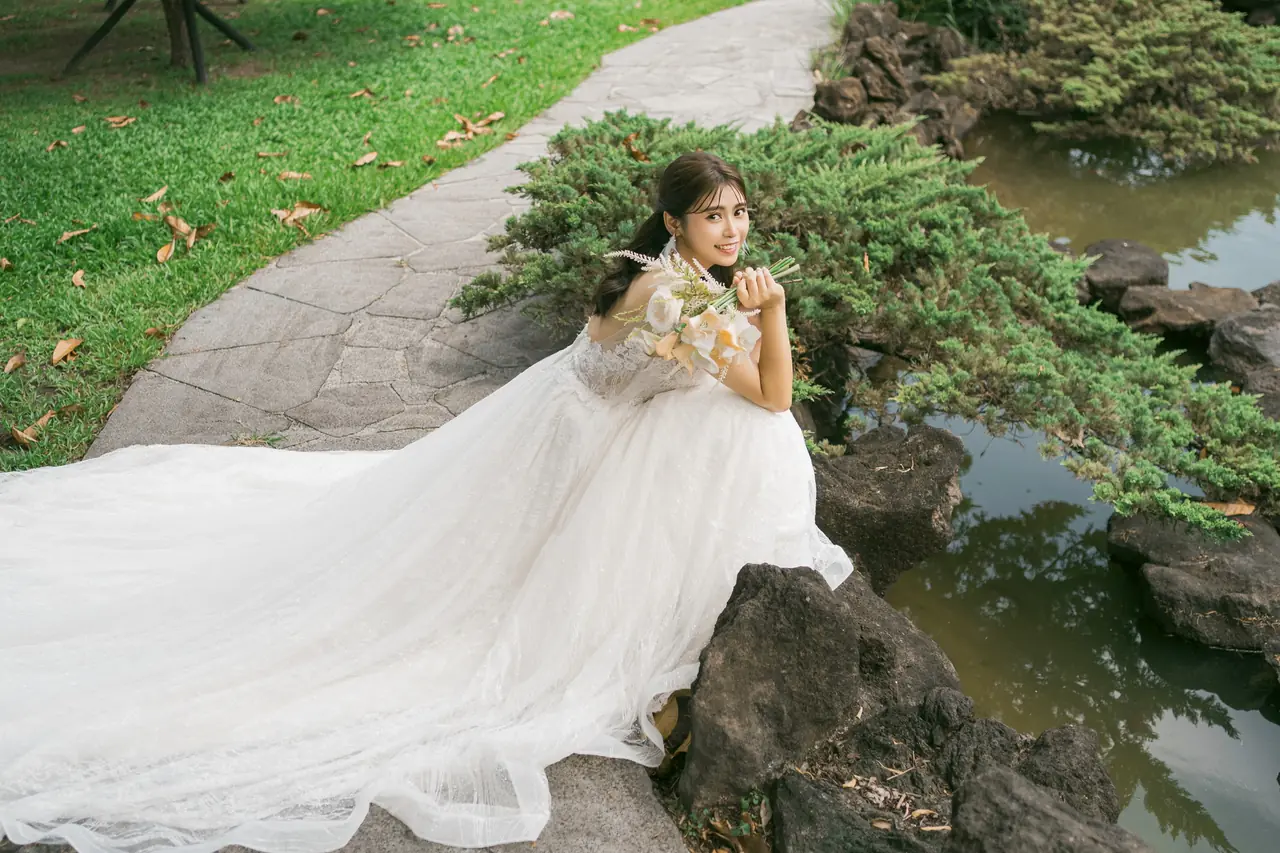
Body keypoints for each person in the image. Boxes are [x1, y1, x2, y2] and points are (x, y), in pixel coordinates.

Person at [0, 152, 854, 853]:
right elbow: (774, 394)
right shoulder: (674, 293)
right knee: (747, 434)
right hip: (572, 442)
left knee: (731, 429)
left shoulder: (672, 274)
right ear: (674, 222)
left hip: (573, 416)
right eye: (713, 216)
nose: (734, 229)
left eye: (740, 212)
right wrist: (775, 309)